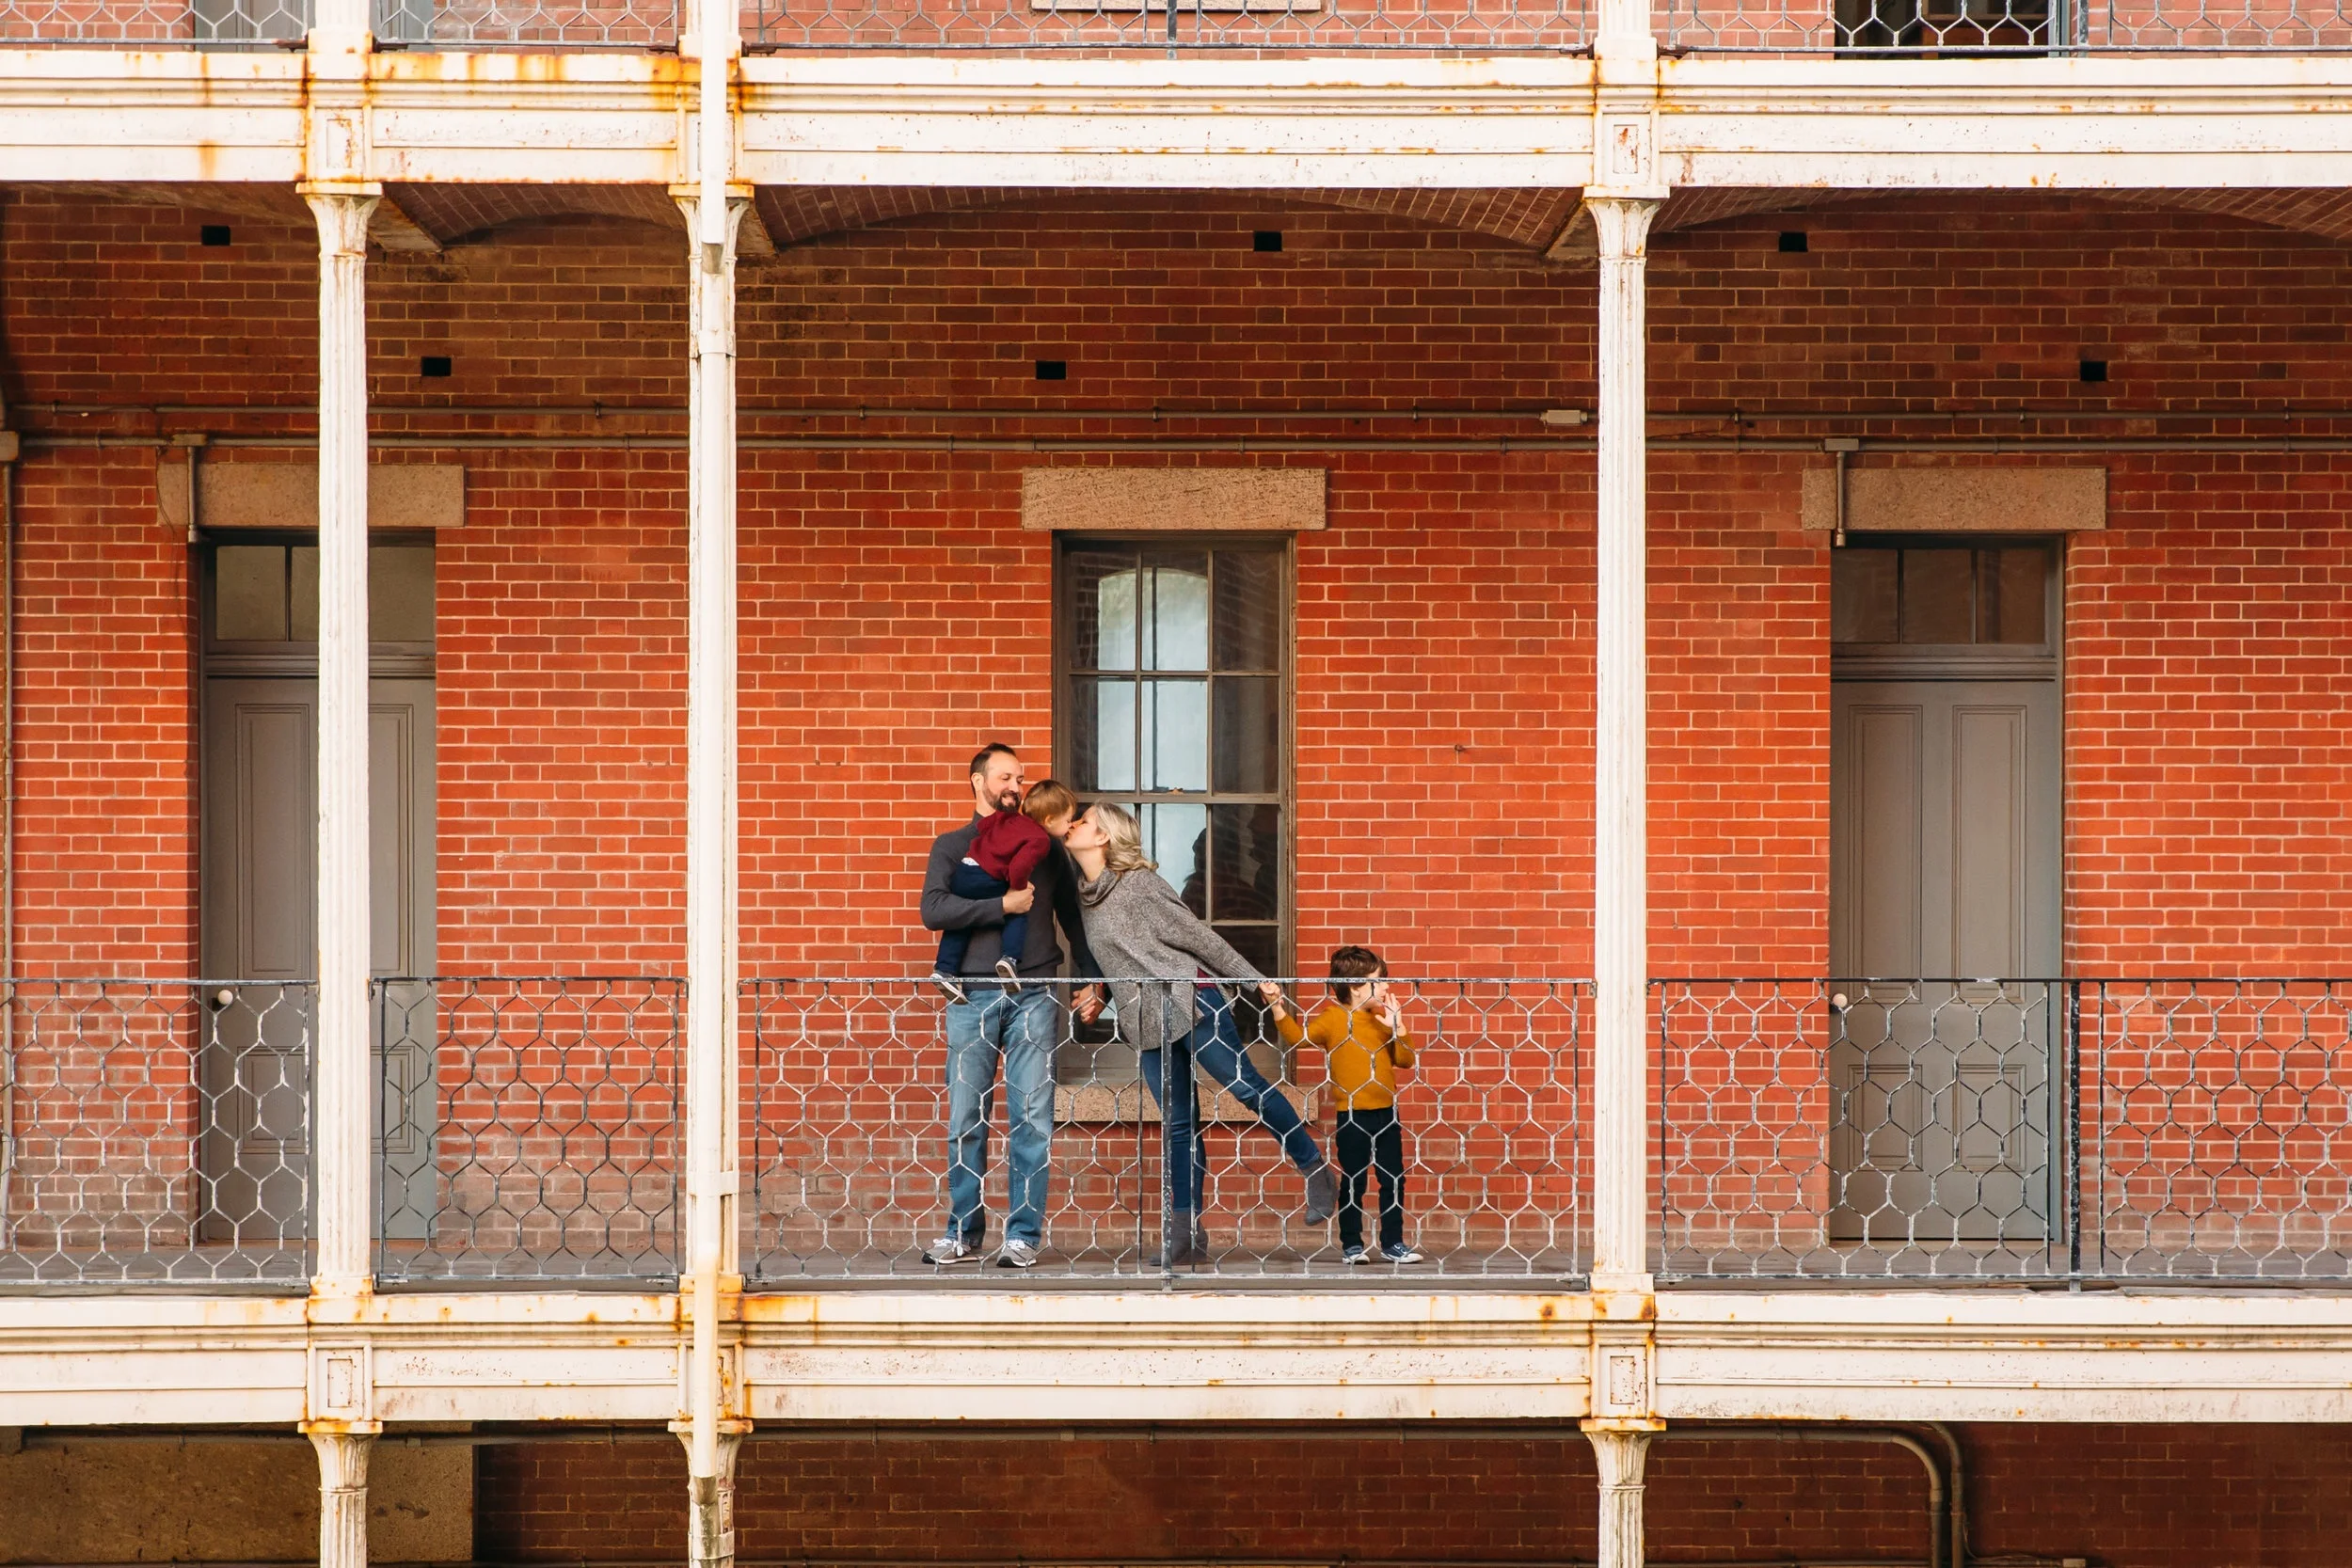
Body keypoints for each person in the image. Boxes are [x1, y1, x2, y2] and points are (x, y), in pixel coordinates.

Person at [1065, 800, 1337, 1267]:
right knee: (1177, 1125)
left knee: (1244, 1085)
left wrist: (1254, 981)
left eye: (1083, 820)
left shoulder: (1141, 885)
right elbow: (1126, 960)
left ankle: (1315, 1168)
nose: (1073, 824)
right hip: (1145, 1021)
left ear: (1104, 837)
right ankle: (1185, 1234)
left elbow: (1199, 938)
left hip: (1193, 1003)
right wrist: (1101, 997)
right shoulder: (1087, 898)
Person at [917, 746, 1101, 1270]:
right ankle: (962, 1232)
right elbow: (934, 909)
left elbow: (1073, 917)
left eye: (1020, 777)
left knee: (1032, 1119)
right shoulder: (952, 846)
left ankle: (1021, 1235)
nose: (1015, 785)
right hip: (969, 995)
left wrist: (1092, 984)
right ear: (978, 782)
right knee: (965, 1120)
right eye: (1004, 777)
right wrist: (1000, 905)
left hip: (1034, 994)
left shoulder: (1042, 848)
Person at [1275, 945, 1423, 1264]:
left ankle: (1393, 1242)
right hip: (1351, 1115)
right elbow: (1300, 1039)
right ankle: (1352, 1245)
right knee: (1355, 1179)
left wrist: (1398, 1027)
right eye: (1380, 980)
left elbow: (1406, 1060)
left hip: (1385, 1113)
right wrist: (1277, 1008)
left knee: (1393, 1178)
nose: (1386, 987)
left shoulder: (1380, 1018)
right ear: (1357, 986)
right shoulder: (1332, 1019)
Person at [930, 779, 1076, 1001]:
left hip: (966, 870)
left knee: (961, 924)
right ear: (1049, 819)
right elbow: (1019, 866)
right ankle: (1009, 959)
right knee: (1017, 910)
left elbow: (983, 826)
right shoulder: (1040, 840)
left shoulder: (1011, 819)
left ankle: (944, 970)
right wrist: (1017, 889)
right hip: (989, 876)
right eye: (1067, 821)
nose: (1070, 826)